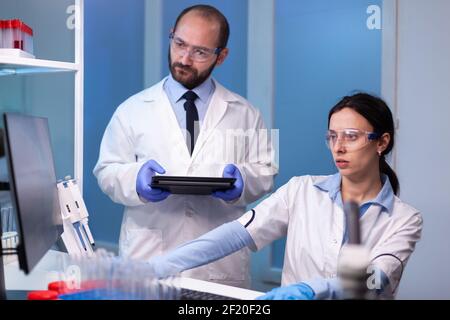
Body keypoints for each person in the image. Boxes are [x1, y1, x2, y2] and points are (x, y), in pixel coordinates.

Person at [147, 93, 423, 300]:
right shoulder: (301, 190)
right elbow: (236, 234)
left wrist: (310, 290)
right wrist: (165, 263)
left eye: (351, 136)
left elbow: (375, 279)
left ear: (382, 142)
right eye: (332, 136)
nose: (338, 147)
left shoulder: (404, 219)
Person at [93, 5, 277, 289]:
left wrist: (243, 183)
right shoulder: (131, 109)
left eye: (200, 52)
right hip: (148, 260)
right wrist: (136, 180)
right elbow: (105, 171)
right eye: (179, 44)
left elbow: (266, 172)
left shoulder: (248, 112)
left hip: (219, 267)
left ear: (222, 56)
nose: (185, 58)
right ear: (171, 37)